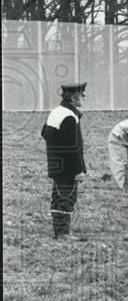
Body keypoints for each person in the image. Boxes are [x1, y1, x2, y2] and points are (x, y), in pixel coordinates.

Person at [41, 82, 88, 239]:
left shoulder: (56, 112)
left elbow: (44, 132)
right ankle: (63, 233)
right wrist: (78, 170)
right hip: (67, 167)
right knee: (67, 197)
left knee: (58, 195)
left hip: (55, 164)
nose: (84, 97)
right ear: (74, 98)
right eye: (82, 95)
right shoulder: (69, 116)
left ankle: (59, 230)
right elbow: (72, 148)